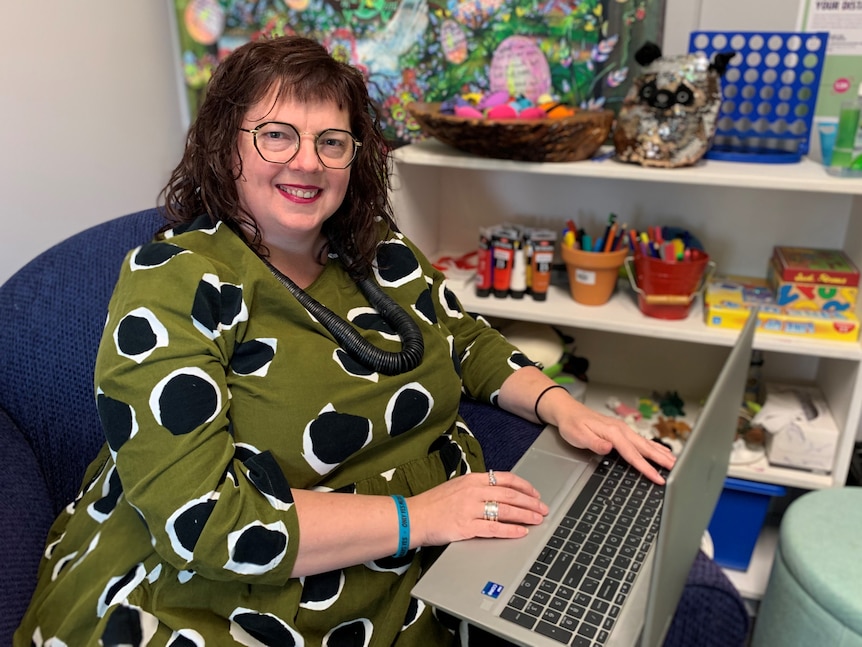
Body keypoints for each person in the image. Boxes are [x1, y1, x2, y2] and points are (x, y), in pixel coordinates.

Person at [15, 35, 674, 646]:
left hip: (397, 571)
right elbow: (205, 522)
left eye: (333, 141)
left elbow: (462, 338)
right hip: (214, 594)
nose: (309, 161)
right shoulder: (175, 280)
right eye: (278, 135)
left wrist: (563, 406)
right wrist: (421, 516)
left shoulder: (376, 250)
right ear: (224, 146)